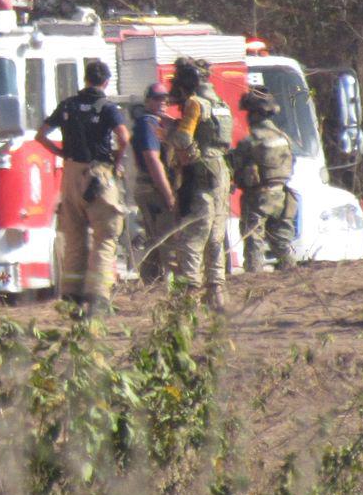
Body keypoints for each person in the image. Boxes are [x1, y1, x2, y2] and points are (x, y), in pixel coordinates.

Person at [37, 58, 129, 318]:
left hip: (71, 175)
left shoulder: (68, 105)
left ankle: (71, 298)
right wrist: (117, 161)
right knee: (105, 237)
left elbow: (41, 134)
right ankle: (98, 299)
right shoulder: (108, 107)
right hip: (99, 175)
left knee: (75, 239)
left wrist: (61, 153)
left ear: (86, 79)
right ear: (106, 82)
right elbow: (124, 137)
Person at [162, 56, 233, 310]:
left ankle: (189, 297)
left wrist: (168, 129)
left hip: (200, 175)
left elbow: (183, 138)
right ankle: (217, 295)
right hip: (221, 173)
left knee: (193, 236)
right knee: (216, 236)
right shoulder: (221, 104)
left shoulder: (195, 104)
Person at [229, 89, 301, 272]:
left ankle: (254, 282)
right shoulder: (283, 137)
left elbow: (235, 166)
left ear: (253, 114)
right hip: (283, 196)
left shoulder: (250, 140)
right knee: (282, 241)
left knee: (254, 240)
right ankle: (293, 275)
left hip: (258, 198)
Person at [130, 82, 180, 282]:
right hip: (154, 189)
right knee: (169, 241)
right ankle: (172, 290)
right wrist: (168, 195)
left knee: (154, 241)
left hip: (151, 188)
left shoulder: (156, 122)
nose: (162, 102)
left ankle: (152, 285)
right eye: (157, 98)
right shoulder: (147, 123)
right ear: (148, 101)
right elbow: (152, 160)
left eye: (165, 98)